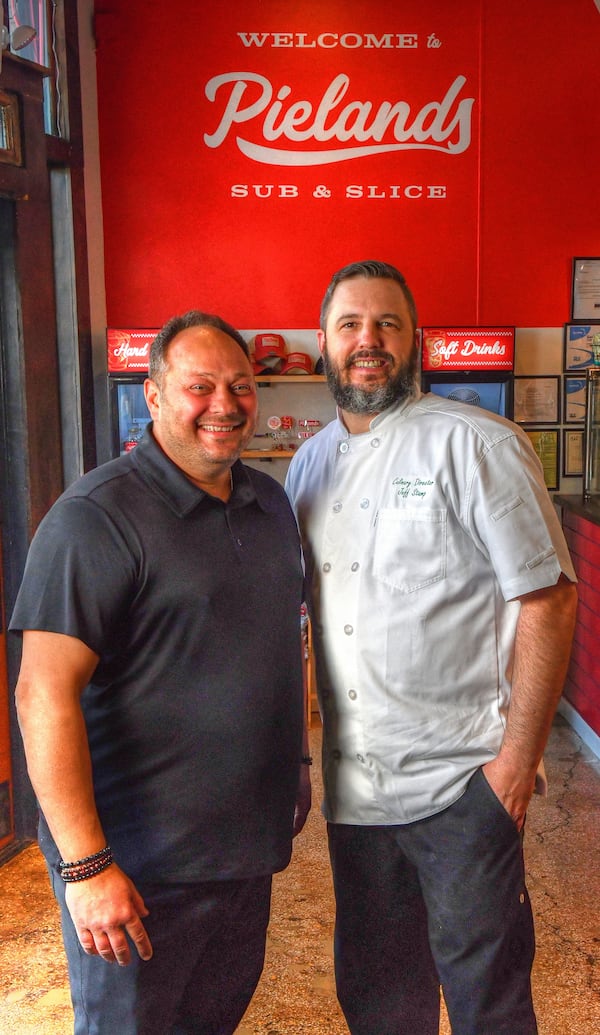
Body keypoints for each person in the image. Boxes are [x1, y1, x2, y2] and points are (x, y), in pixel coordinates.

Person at [284, 261, 578, 1035]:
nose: (367, 341)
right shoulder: (308, 465)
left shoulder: (477, 443)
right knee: (380, 999)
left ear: (418, 341)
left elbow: (548, 598)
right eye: (350, 325)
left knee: (489, 1003)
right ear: (323, 342)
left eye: (387, 324)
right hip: (358, 799)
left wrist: (514, 768)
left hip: (463, 786)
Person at [11, 310, 311, 1035]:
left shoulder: (268, 502)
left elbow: (276, 646)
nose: (226, 404)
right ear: (152, 396)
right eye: (198, 385)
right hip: (137, 870)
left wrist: (296, 761)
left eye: (241, 385)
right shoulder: (96, 517)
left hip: (242, 857)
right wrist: (86, 868)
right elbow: (41, 692)